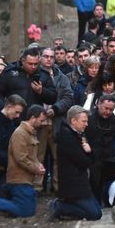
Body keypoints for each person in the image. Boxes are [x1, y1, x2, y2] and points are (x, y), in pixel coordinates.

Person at [0, 105, 47, 217]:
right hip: (19, 179)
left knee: (30, 209)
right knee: (26, 211)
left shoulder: (30, 132)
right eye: (41, 120)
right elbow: (20, 158)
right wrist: (36, 168)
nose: (42, 123)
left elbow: (31, 156)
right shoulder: (20, 133)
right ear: (33, 117)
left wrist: (38, 164)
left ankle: (1, 200)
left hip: (26, 179)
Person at [49, 106, 103, 221]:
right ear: (73, 121)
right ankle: (59, 207)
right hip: (73, 186)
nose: (86, 124)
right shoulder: (67, 138)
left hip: (80, 184)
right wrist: (89, 153)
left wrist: (89, 151)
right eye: (84, 121)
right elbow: (83, 162)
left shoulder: (76, 135)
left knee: (98, 211)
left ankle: (64, 206)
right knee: (94, 214)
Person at [37, 47, 74, 194]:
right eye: (45, 56)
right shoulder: (34, 75)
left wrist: (56, 108)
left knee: (58, 157)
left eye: (51, 57)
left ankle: (58, 187)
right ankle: (37, 187)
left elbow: (68, 97)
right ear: (40, 57)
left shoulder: (61, 76)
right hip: (39, 121)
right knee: (37, 156)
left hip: (57, 121)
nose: (49, 59)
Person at [85, 94, 115, 206]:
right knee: (96, 172)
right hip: (93, 158)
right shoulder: (89, 119)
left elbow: (109, 141)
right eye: (106, 108)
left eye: (111, 109)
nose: (108, 112)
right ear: (99, 104)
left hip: (109, 156)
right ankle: (96, 203)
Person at [0, 47, 57, 118]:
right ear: (23, 61)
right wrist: (4, 108)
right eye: (30, 64)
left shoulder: (43, 74)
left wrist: (42, 91)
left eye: (36, 64)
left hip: (35, 119)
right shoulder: (10, 72)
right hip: (13, 118)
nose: (33, 67)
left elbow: (53, 97)